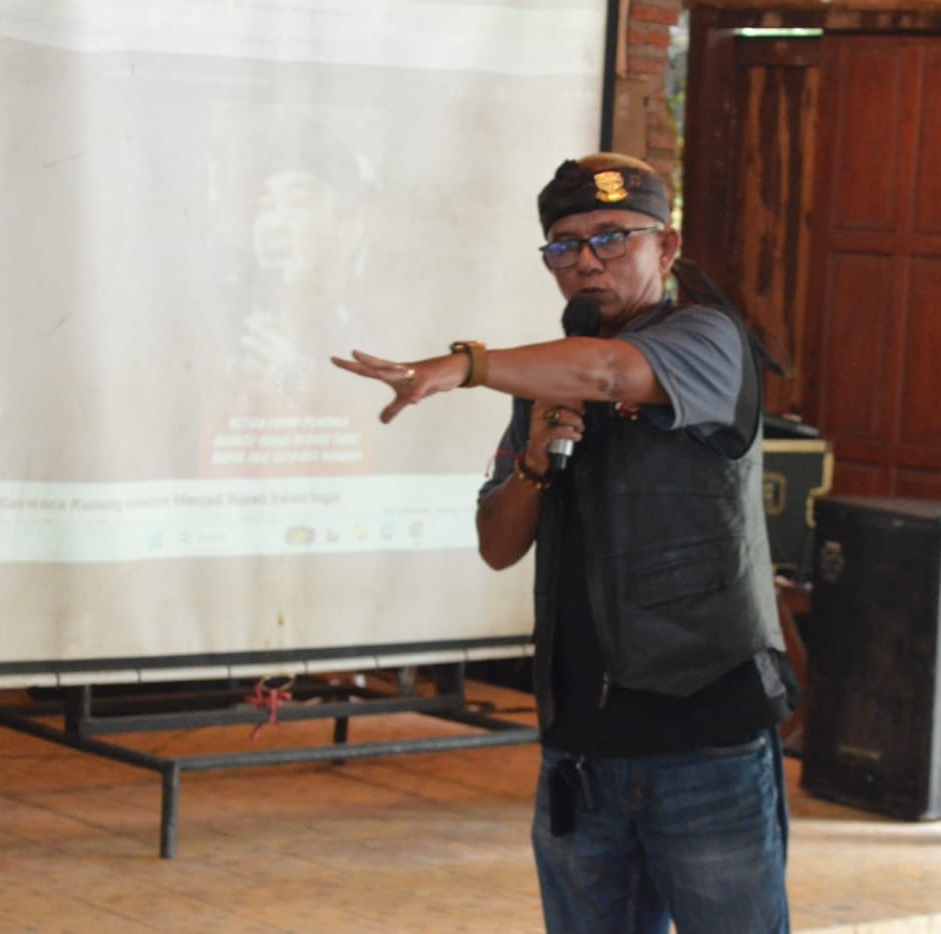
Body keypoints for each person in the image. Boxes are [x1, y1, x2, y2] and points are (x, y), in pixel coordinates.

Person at [331, 152, 793, 933]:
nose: (586, 262)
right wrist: (536, 466)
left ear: (666, 248)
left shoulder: (707, 339)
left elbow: (611, 372)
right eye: (564, 246)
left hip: (703, 735)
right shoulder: (542, 380)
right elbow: (497, 543)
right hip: (580, 743)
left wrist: (463, 366)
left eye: (612, 238)